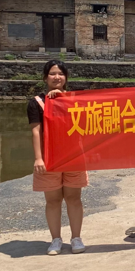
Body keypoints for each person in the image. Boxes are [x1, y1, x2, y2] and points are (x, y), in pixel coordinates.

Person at [28, 60, 89, 255]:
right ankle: (55, 239)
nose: (57, 77)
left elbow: (86, 125)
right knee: (53, 200)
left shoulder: (75, 99)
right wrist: (38, 158)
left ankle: (76, 238)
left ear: (66, 77)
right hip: (49, 158)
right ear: (45, 78)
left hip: (73, 156)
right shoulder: (36, 103)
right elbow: (36, 131)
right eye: (52, 74)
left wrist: (63, 99)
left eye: (61, 74)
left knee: (74, 198)